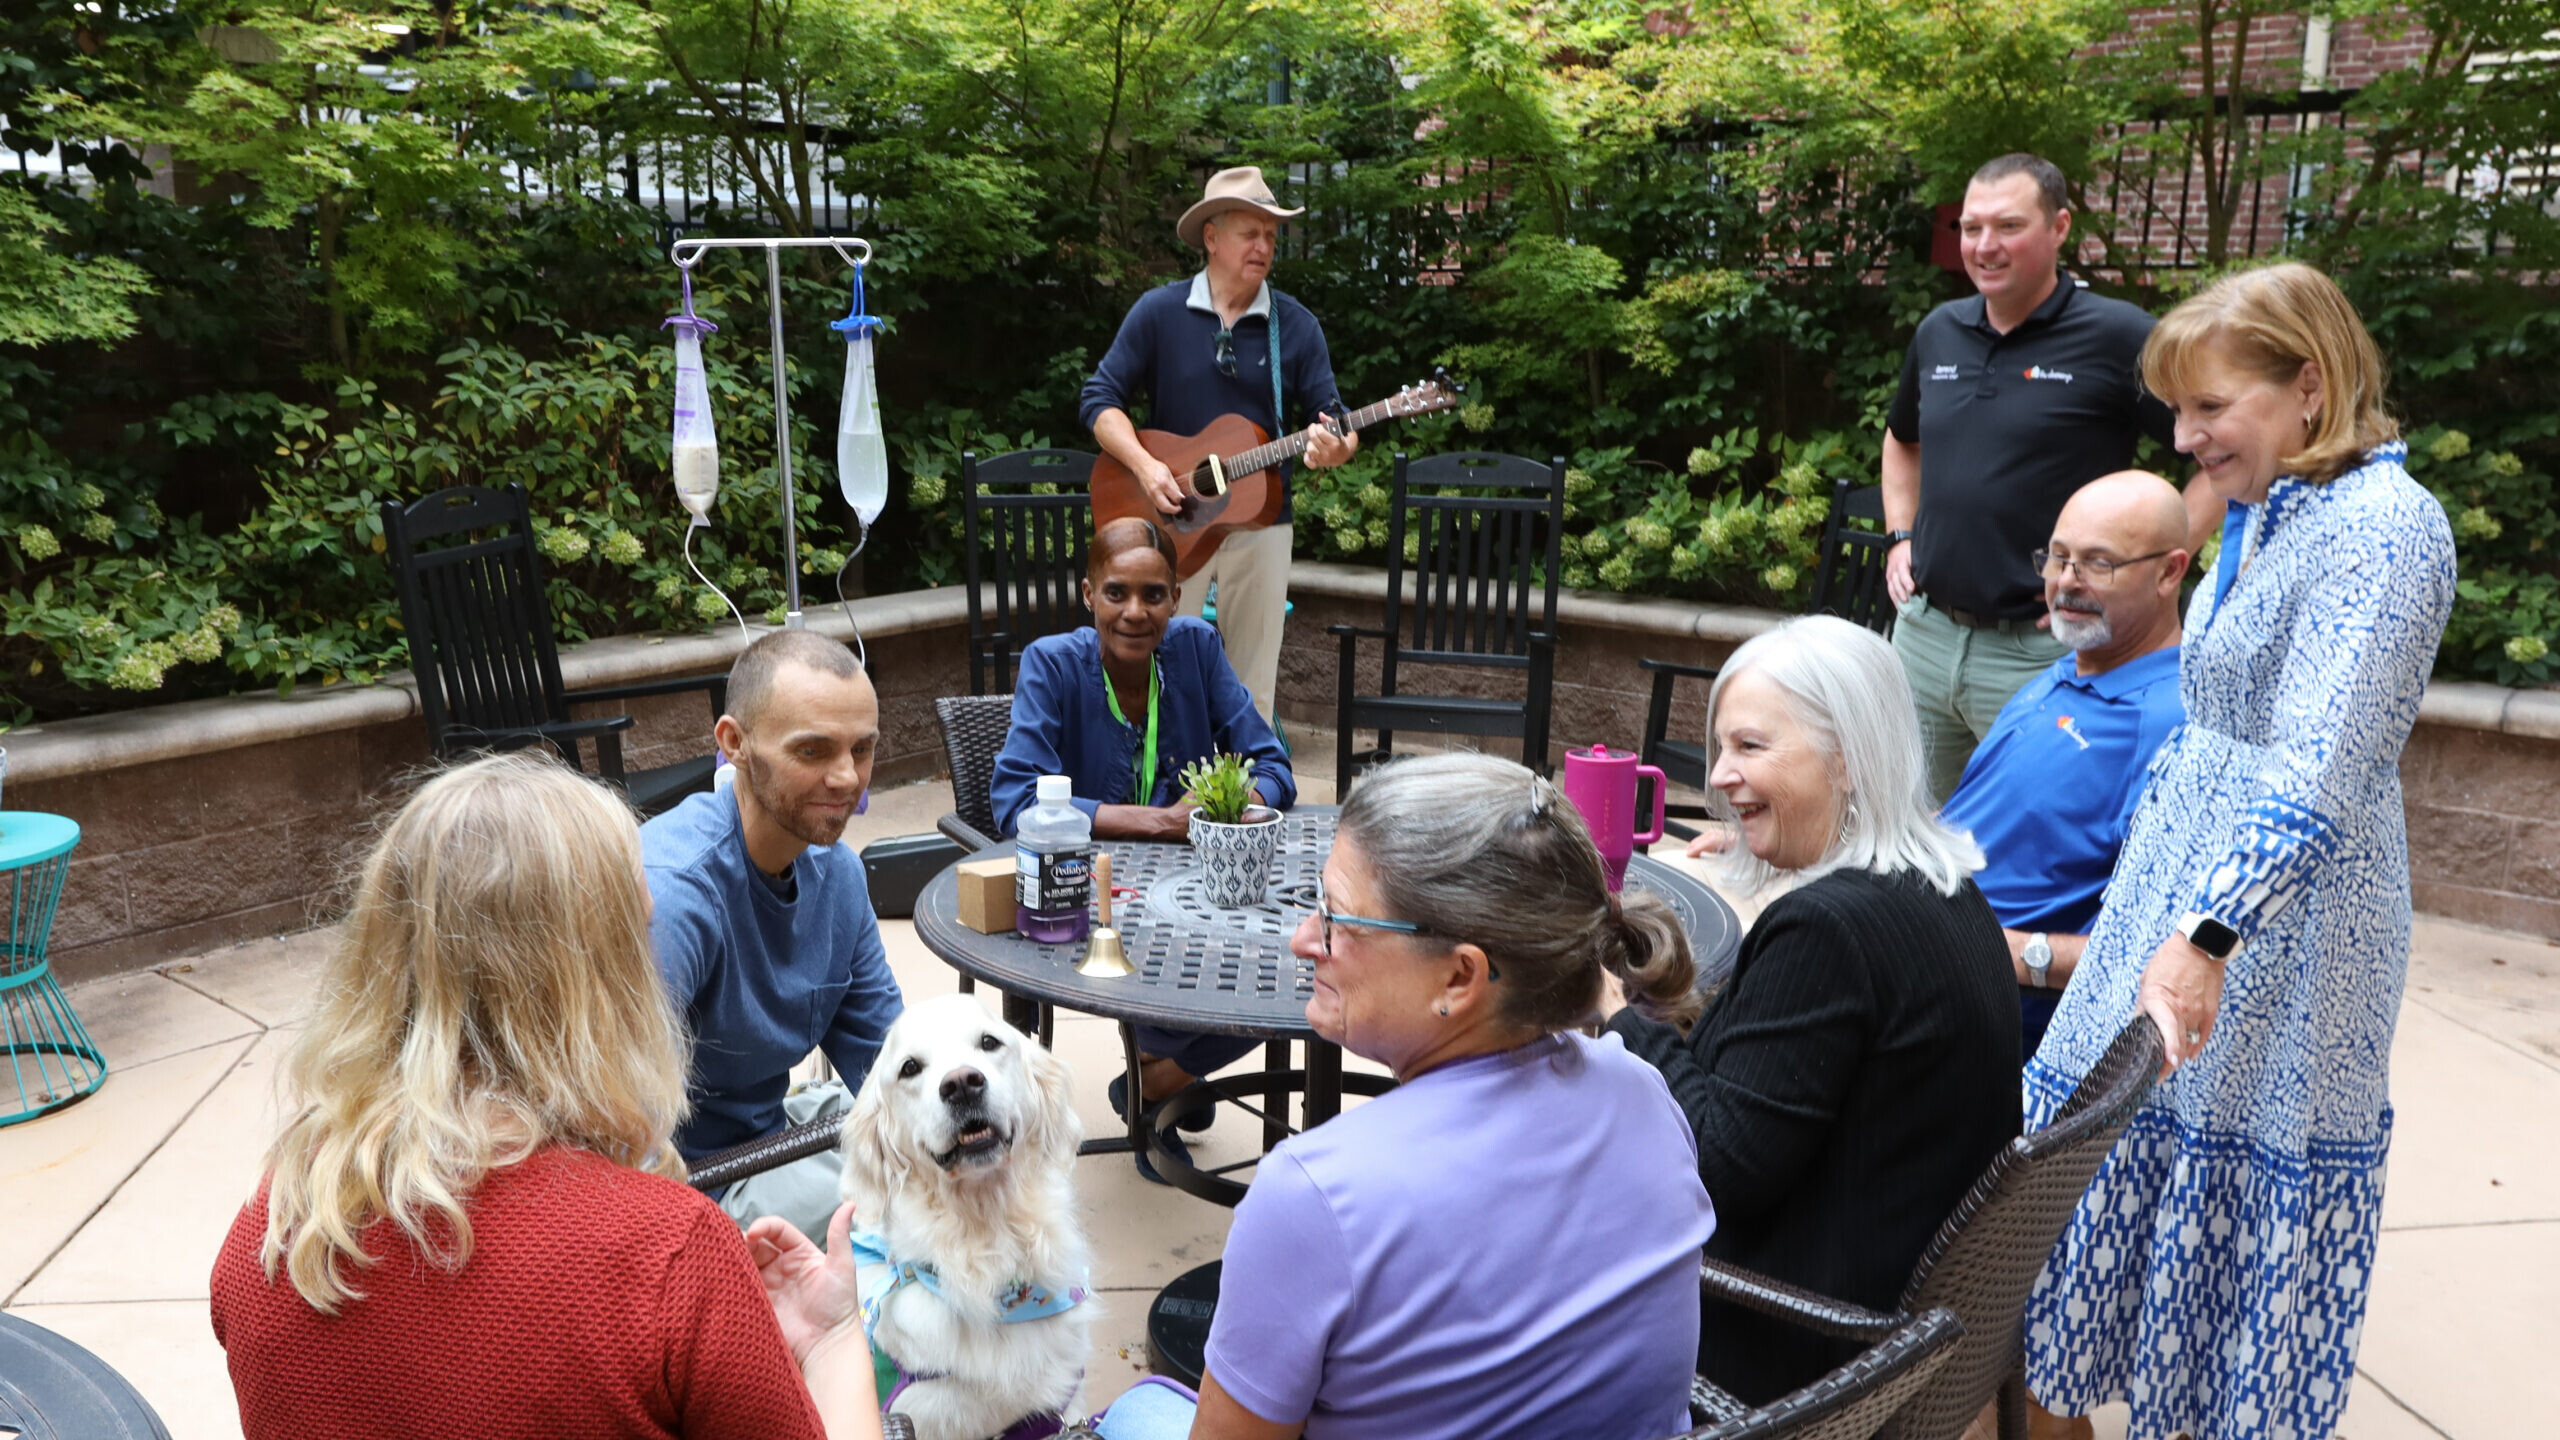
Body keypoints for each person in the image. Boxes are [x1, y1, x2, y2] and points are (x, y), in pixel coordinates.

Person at [2020, 264, 2455, 1440]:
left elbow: (2317, 769)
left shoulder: (2384, 533)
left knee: (2231, 1206)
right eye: (2176, 408)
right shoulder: (2274, 505)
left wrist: (2204, 936)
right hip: (2179, 887)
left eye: (2209, 406)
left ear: (2306, 386)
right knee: (2088, 1162)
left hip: (2284, 927)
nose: (2185, 434)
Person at [210, 753, 880, 1440]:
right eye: (639, 938)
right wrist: (829, 1345)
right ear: (598, 979)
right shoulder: (668, 1255)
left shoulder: (272, 1231)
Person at [1183, 751, 1713, 1440]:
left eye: (1335, 916)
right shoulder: (1644, 1093)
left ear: (1461, 977)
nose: (1303, 938)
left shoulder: (1317, 1196)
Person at [1605, 615, 2021, 1405]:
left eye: (1751, 747)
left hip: (1792, 1335)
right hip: (1894, 1310)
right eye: (1722, 748)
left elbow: (1718, 1165)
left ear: (1848, 760)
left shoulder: (1829, 930)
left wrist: (1624, 1017)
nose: (1720, 777)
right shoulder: (1948, 890)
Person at [990, 516, 1295, 1181]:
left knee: (1299, 977)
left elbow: (1272, 764)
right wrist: (1162, 823)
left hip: (1197, 890)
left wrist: (1245, 805)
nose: (1135, 612)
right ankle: (1164, 1077)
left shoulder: (1196, 649)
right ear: (1088, 595)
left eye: (1154, 595)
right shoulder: (1053, 663)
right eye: (1117, 593)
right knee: (1238, 979)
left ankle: (1156, 1081)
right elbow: (1015, 798)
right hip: (1090, 896)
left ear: (1177, 598)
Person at [1882, 152, 2180, 803]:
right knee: (1905, 837)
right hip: (1925, 639)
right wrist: (1899, 535)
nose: (1984, 246)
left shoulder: (2119, 335)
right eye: (1969, 227)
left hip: (2042, 651)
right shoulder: (1940, 332)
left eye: (2008, 226)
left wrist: (2158, 563)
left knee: (2031, 845)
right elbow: (1901, 440)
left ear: (2059, 227)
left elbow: (2211, 453)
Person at [645, 628, 903, 1241]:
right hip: (690, 1189)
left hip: (771, 1139)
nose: (847, 778)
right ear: (734, 743)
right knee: (919, 1189)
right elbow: (613, 1140)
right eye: (813, 752)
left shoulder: (837, 874)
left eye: (861, 750)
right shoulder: (675, 895)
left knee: (953, 1138)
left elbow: (891, 1063)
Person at [1078, 165, 1357, 724]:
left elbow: (1336, 421)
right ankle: (1145, 785)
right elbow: (1099, 401)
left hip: (1262, 521)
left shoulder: (1295, 326)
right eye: (1250, 232)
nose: (1263, 246)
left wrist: (1338, 447)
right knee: (1150, 663)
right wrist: (1146, 466)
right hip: (1174, 515)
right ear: (1211, 237)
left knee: (1253, 679)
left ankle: (1246, 798)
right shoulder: (1159, 313)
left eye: (1272, 236)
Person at [1937, 471, 2191, 1060]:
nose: (2066, 583)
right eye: (2057, 558)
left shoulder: (2169, 725)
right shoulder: (2073, 666)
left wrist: (2009, 954)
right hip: (1918, 945)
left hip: (1979, 1022)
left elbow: (2162, 953)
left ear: (2169, 572)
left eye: (2097, 564)